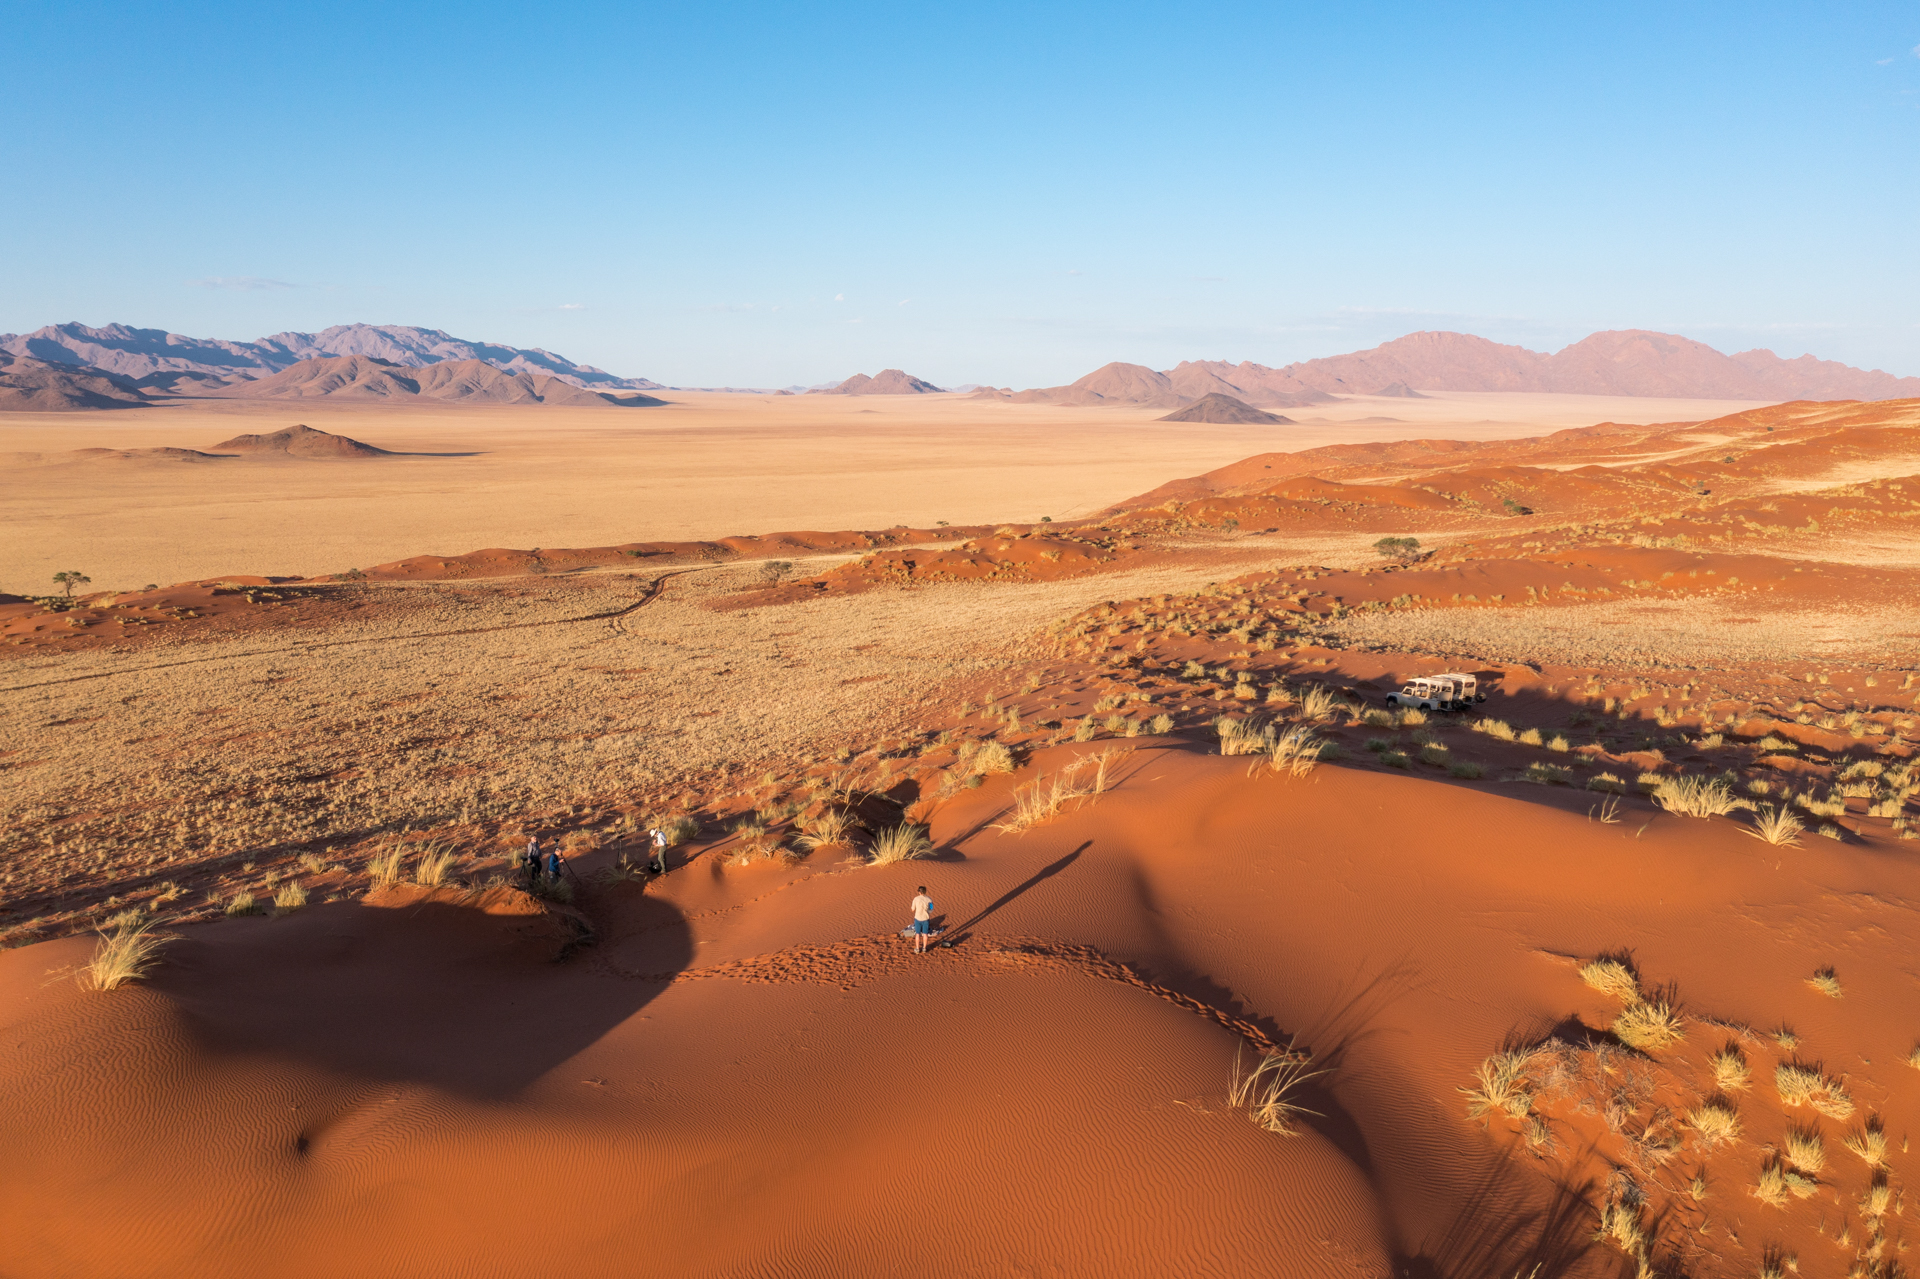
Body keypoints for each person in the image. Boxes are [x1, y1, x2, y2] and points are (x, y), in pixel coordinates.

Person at [910, 885, 935, 954]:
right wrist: (927, 912)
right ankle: (924, 948)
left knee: (917, 934)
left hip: (918, 918)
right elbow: (931, 909)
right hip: (926, 918)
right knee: (925, 934)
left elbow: (912, 909)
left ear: (919, 892)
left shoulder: (916, 899)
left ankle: (917, 949)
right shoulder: (929, 899)